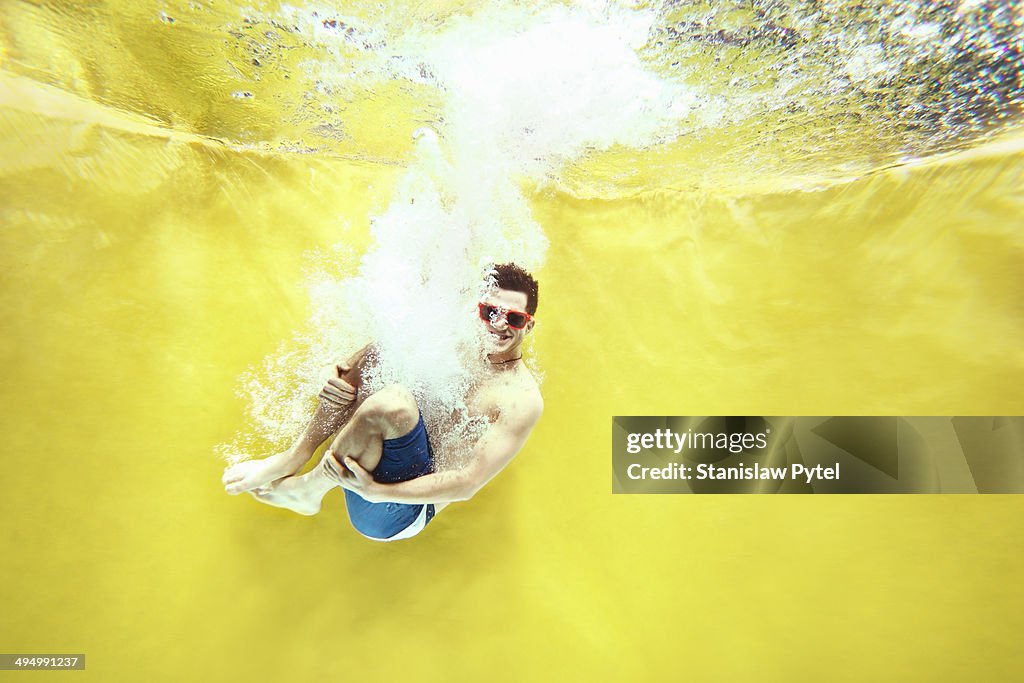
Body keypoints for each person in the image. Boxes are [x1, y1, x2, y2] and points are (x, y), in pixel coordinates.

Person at [221, 263, 544, 541]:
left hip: (398, 513)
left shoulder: (520, 398)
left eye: (514, 319)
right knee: (386, 351)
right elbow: (368, 356)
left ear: (528, 324)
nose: (499, 324)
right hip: (379, 460)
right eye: (491, 312)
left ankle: (309, 490)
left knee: (393, 403)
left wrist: (378, 492)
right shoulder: (450, 341)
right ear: (478, 310)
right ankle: (296, 454)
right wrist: (332, 371)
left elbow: (467, 483)